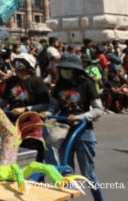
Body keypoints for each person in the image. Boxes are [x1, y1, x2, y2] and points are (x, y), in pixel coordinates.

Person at [49, 53, 105, 201]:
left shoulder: (87, 83)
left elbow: (99, 110)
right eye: (62, 68)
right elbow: (54, 105)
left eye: (67, 68)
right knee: (66, 173)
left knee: (88, 174)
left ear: (75, 70)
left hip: (83, 132)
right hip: (63, 131)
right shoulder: (60, 84)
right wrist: (48, 113)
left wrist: (79, 117)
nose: (64, 71)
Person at [0, 53, 50, 161]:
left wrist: (26, 109)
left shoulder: (37, 82)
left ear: (29, 66)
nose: (18, 64)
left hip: (32, 126)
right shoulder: (11, 81)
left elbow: (46, 104)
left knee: (32, 157)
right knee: (13, 156)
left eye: (22, 62)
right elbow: (5, 100)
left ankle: (36, 178)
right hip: (13, 124)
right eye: (16, 61)